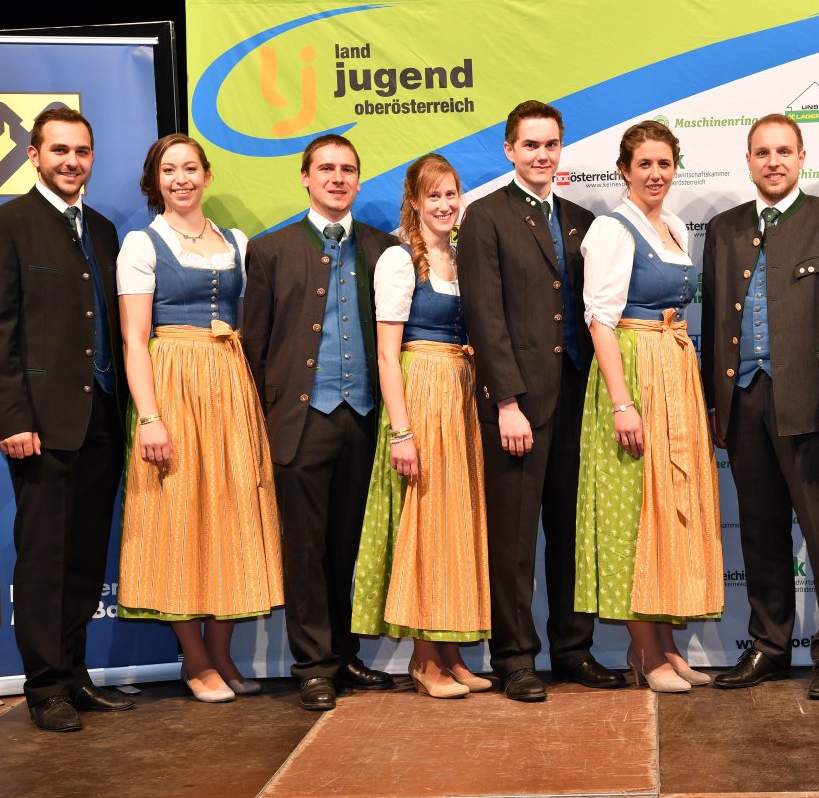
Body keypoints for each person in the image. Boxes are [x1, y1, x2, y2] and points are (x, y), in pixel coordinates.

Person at [0, 107, 136, 731]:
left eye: (82, 151)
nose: (72, 161)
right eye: (59, 150)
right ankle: (45, 689)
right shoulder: (3, 225)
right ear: (34, 155)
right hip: (39, 425)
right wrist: (12, 419)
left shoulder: (104, 230)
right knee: (44, 558)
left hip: (102, 418)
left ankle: (75, 675)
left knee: (86, 557)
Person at [457, 100, 625, 701]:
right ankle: (514, 657)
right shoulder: (484, 217)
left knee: (573, 532)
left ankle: (573, 650)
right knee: (514, 539)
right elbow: (484, 317)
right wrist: (506, 401)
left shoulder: (582, 219)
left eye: (551, 144)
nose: (542, 155)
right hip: (520, 404)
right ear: (509, 150)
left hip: (579, 397)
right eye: (530, 145)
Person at [701, 114, 819, 700]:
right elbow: (714, 320)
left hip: (812, 406)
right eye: (762, 152)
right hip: (743, 399)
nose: (773, 162)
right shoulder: (723, 228)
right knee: (759, 531)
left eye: (783, 151)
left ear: (801, 158)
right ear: (748, 161)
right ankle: (769, 646)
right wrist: (716, 404)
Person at [116, 134, 285, 702]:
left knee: (232, 513)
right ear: (155, 181)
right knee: (180, 516)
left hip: (229, 382)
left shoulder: (235, 241)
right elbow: (134, 340)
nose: (181, 179)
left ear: (207, 175)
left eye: (190, 168)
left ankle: (222, 653)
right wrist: (150, 417)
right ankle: (194, 658)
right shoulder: (142, 244)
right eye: (169, 170)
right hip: (174, 383)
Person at [242, 134, 397, 711]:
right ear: (306, 177)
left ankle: (344, 653)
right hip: (301, 421)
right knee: (305, 547)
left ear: (358, 179)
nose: (337, 177)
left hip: (365, 417)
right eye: (326, 168)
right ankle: (312, 665)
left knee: (349, 543)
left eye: (348, 169)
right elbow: (255, 347)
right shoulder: (270, 250)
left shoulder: (385, 249)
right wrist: (267, 419)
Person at [576, 121, 722, 693]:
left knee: (669, 506)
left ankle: (666, 645)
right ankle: (643, 649)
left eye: (664, 164)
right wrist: (622, 403)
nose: (656, 174)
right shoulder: (611, 230)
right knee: (634, 509)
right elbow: (600, 321)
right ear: (624, 170)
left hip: (675, 368)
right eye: (644, 165)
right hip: (634, 370)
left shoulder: (676, 227)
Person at [351, 154, 491, 699]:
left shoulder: (459, 256)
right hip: (422, 391)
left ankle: (452, 654)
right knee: (425, 524)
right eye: (433, 195)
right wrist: (402, 432)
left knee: (455, 524)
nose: (444, 204)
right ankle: (424, 660)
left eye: (451, 194)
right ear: (413, 201)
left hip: (460, 393)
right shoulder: (398, 259)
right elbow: (388, 354)